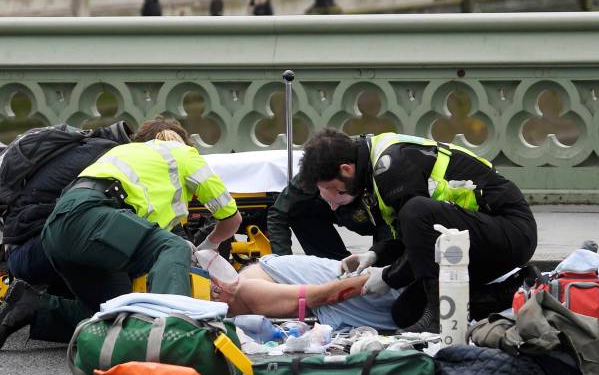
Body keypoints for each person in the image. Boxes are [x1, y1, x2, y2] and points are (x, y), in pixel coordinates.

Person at [0, 118, 242, 351]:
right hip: (88, 216)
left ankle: (33, 306)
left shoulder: (119, 151)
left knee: (119, 312)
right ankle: (174, 334)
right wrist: (208, 247)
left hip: (56, 230)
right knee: (174, 248)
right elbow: (232, 219)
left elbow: (144, 240)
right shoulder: (183, 153)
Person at [298, 128, 537, 333]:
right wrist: (375, 255)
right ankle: (518, 289)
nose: (331, 203)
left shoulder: (390, 164)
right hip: (468, 238)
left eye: (333, 189)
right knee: (406, 313)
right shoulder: (369, 169)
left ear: (346, 169)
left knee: (416, 210)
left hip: (511, 230)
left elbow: (419, 225)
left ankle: (438, 317)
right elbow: (413, 237)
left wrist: (388, 276)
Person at [4, 121, 134, 294]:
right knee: (118, 295)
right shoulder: (109, 160)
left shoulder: (92, 146)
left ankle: (41, 307)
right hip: (34, 250)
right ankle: (36, 305)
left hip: (25, 247)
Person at [211, 253, 401, 331]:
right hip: (351, 281)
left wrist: (387, 276)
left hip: (365, 289)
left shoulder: (247, 290)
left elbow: (324, 295)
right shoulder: (249, 277)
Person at [267, 169, 381, 260]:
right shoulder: (313, 173)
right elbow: (278, 215)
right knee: (296, 209)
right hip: (340, 212)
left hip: (378, 212)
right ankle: (333, 265)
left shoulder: (378, 172)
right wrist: (285, 264)